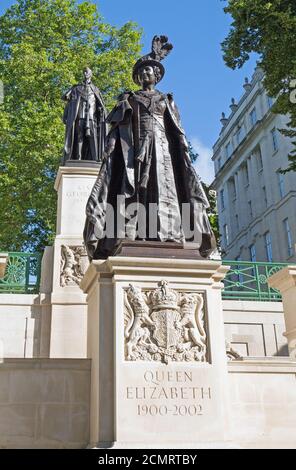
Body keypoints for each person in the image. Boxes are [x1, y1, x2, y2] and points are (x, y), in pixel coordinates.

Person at [84, 36, 216, 259]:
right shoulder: (130, 98)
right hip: (135, 151)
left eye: (150, 71)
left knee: (166, 190)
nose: (146, 74)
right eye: (143, 71)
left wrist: (183, 153)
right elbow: (117, 127)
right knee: (137, 189)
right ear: (138, 77)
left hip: (163, 151)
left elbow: (177, 130)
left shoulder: (167, 100)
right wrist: (110, 146)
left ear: (157, 76)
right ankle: (134, 234)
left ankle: (171, 234)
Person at [62, 67, 106, 162]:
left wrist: (100, 110)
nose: (86, 73)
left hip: (91, 117)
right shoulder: (76, 88)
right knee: (79, 138)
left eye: (88, 72)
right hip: (79, 116)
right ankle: (78, 158)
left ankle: (96, 158)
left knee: (93, 138)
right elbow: (66, 99)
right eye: (84, 72)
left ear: (91, 74)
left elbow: (100, 104)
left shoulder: (95, 89)